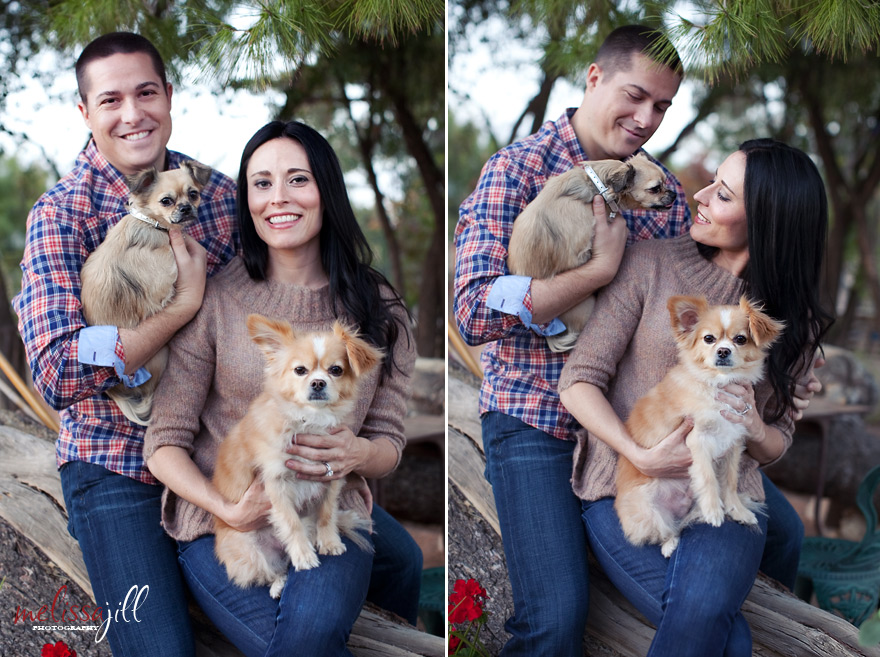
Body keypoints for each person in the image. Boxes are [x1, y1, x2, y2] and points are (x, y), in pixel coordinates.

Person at [14, 33, 420, 656]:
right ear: (85, 111)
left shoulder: (219, 196)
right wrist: (179, 309)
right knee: (161, 649)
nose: (132, 114)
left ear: (169, 96)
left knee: (400, 561)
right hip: (116, 462)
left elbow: (263, 299)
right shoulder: (61, 215)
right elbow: (56, 372)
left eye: (146, 93)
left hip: (223, 456)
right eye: (111, 100)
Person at [453, 25, 810, 655]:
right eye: (635, 96)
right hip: (537, 414)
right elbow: (474, 312)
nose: (647, 119)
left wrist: (779, 368)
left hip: (643, 415)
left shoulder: (661, 187)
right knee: (555, 617)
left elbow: (699, 287)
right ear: (594, 77)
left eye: (663, 106)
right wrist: (595, 273)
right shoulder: (519, 169)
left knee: (782, 531)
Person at [142, 120, 417, 657]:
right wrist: (227, 509)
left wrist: (358, 454)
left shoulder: (378, 307)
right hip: (226, 520)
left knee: (320, 624)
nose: (278, 198)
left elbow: (388, 440)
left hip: (326, 511)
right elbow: (164, 442)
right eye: (261, 184)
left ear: (326, 190)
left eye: (298, 179)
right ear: (246, 200)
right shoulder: (217, 298)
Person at [558, 139, 833, 657]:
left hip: (728, 493)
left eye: (722, 195)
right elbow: (578, 380)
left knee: (707, 613)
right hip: (630, 485)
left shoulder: (788, 323)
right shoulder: (650, 264)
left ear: (768, 222)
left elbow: (776, 444)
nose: (699, 196)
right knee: (730, 640)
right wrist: (640, 454)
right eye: (711, 184)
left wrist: (754, 425)